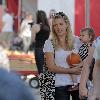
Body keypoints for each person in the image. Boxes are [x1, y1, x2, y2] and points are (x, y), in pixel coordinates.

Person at [39, 12, 82, 100]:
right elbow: (51, 67)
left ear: (67, 24)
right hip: (60, 84)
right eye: (55, 25)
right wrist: (72, 70)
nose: (58, 27)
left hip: (79, 83)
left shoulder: (78, 41)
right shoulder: (49, 43)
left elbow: (87, 59)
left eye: (61, 24)